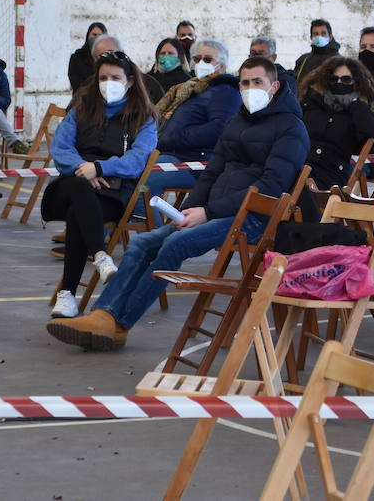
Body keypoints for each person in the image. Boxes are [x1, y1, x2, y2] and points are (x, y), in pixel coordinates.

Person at [45, 57, 308, 350]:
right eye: (244, 83)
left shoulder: (291, 129)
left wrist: (207, 211)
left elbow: (271, 187)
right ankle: (102, 314)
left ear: (274, 86)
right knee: (141, 244)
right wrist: (189, 209)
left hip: (255, 218)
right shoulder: (237, 122)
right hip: (216, 211)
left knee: (174, 245)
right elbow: (212, 172)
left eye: (256, 82)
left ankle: (119, 323)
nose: (249, 89)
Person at [46, 51, 157, 320]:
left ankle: (67, 296)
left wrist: (100, 168)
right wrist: (82, 169)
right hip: (70, 183)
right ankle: (100, 255)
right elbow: (60, 147)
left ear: (130, 81)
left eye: (115, 77)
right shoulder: (82, 107)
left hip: (111, 192)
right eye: (103, 77)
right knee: (78, 188)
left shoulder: (144, 118)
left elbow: (138, 159)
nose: (108, 82)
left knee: (77, 213)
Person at [146, 40, 241, 195]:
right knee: (134, 170)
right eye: (197, 59)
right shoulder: (192, 88)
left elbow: (219, 128)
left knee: (146, 180)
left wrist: (173, 138)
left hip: (198, 163)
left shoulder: (225, 90)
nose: (201, 63)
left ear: (222, 65)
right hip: (174, 154)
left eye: (208, 59)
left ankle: (141, 218)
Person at [298, 56, 374, 193]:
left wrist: (356, 105)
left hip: (331, 173)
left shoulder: (360, 110)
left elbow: (371, 132)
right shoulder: (312, 103)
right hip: (300, 166)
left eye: (346, 79)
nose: (339, 83)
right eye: (334, 79)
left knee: (301, 190)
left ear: (357, 82)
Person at [67, 21, 108, 91]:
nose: (97, 38)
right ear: (88, 36)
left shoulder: (110, 58)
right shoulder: (76, 58)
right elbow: (75, 83)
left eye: (100, 36)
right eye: (94, 35)